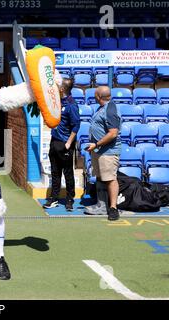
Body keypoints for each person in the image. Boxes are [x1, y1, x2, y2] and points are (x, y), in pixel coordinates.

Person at [84, 86, 121, 221]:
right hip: (99, 151)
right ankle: (101, 205)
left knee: (110, 179)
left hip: (108, 151)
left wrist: (97, 144)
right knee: (100, 177)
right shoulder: (102, 108)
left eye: (95, 94)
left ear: (98, 96)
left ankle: (113, 208)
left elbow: (113, 133)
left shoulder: (110, 109)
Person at [43, 78, 81, 211]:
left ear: (62, 89)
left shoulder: (71, 104)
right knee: (55, 172)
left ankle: (70, 199)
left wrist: (69, 143)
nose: (56, 87)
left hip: (65, 144)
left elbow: (76, 125)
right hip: (54, 141)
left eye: (58, 85)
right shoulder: (58, 101)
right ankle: (54, 198)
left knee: (68, 172)